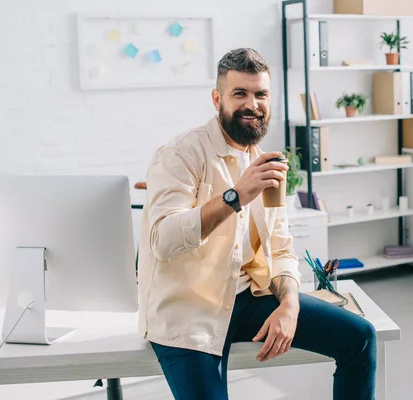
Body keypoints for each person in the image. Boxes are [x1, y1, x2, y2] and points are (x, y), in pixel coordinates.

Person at [137, 48, 377, 400]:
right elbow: (163, 240)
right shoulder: (179, 155)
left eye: (260, 94)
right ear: (217, 98)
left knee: (361, 338)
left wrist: (290, 305)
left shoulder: (266, 162)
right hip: (189, 313)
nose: (252, 104)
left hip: (247, 298)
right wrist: (236, 195)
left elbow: (281, 246)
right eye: (240, 94)